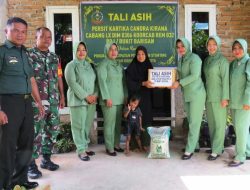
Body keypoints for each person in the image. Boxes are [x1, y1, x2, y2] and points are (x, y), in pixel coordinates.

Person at [0, 17, 44, 190]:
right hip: (8, 102)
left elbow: (31, 78)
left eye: (23, 31)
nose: (20, 34)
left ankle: (20, 179)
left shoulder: (24, 52)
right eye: (16, 30)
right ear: (6, 31)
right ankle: (4, 184)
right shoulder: (2, 52)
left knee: (26, 143)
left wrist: (38, 102)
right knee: (7, 146)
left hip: (26, 104)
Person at [27, 27, 65, 179]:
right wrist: (36, 101)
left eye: (49, 37)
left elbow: (59, 77)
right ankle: (30, 165)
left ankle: (46, 160)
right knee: (35, 132)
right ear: (36, 37)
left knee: (52, 130)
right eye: (43, 36)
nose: (47, 39)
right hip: (37, 102)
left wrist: (62, 95)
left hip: (53, 100)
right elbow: (28, 80)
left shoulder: (55, 57)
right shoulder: (29, 55)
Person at [171, 38, 206, 160]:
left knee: (194, 122)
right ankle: (195, 145)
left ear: (187, 46)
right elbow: (179, 75)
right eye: (178, 47)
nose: (180, 49)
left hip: (197, 94)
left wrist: (179, 82)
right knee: (191, 120)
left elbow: (195, 75)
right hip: (187, 94)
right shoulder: (181, 60)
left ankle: (189, 149)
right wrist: (171, 79)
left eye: (182, 46)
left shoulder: (195, 58)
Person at [64, 42, 98, 161]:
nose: (81, 52)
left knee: (86, 125)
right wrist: (86, 96)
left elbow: (95, 82)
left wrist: (94, 95)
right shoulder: (70, 66)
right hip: (78, 101)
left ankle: (85, 146)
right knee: (78, 126)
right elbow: (72, 83)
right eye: (79, 50)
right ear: (75, 51)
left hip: (91, 101)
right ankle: (81, 150)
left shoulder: (89, 65)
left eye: (84, 50)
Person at [96, 42, 127, 156]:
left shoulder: (119, 65)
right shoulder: (103, 65)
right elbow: (102, 82)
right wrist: (106, 97)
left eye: (115, 49)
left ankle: (116, 144)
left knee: (118, 124)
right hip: (109, 100)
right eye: (111, 49)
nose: (114, 52)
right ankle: (109, 147)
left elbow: (123, 83)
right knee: (109, 124)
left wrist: (125, 96)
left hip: (119, 98)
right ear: (106, 51)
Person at [203, 36, 229, 161]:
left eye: (214, 44)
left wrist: (225, 98)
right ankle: (216, 146)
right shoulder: (207, 60)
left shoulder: (222, 61)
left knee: (220, 124)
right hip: (209, 97)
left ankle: (217, 150)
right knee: (212, 124)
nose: (211, 47)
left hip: (219, 97)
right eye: (209, 44)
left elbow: (225, 81)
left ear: (218, 46)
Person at [126, 46, 154, 151]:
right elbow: (129, 83)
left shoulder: (149, 66)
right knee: (133, 119)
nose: (140, 56)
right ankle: (134, 145)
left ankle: (145, 143)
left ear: (146, 55)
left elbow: (155, 81)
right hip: (134, 98)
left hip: (146, 98)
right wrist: (143, 83)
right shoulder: (131, 67)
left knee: (145, 119)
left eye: (143, 54)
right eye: (138, 54)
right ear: (135, 55)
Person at [228, 39, 250, 167]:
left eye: (240, 48)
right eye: (235, 48)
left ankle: (240, 156)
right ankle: (247, 151)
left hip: (244, 103)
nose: (237, 51)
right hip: (234, 102)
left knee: (241, 129)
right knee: (240, 129)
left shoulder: (248, 61)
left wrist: (248, 101)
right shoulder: (234, 64)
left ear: (245, 48)